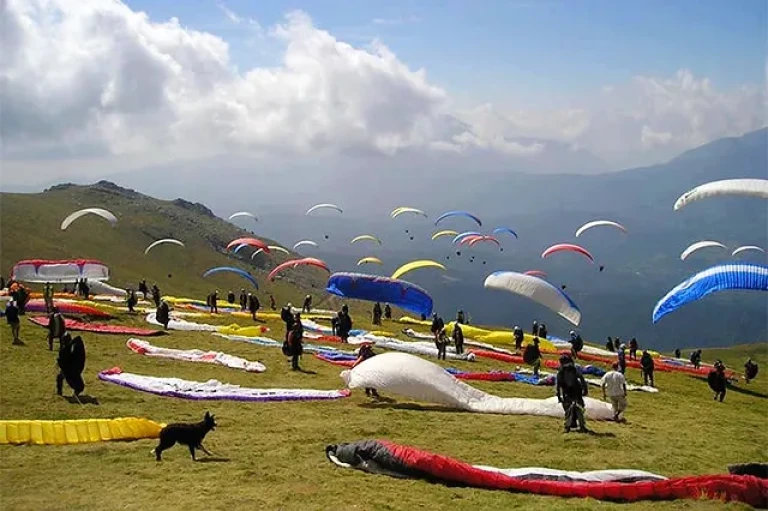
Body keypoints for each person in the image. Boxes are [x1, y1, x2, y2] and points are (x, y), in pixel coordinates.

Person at [557, 354, 588, 433]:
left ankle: (567, 426)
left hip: (568, 393)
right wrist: (585, 389)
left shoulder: (561, 371)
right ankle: (581, 426)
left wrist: (559, 396)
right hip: (577, 392)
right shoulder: (573, 369)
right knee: (578, 409)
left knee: (569, 410)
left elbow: (558, 384)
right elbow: (581, 378)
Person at [56, 333, 86, 400]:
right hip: (69, 370)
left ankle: (61, 392)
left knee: (60, 377)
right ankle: (60, 392)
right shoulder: (66, 349)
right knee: (60, 377)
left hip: (70, 370)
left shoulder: (68, 349)